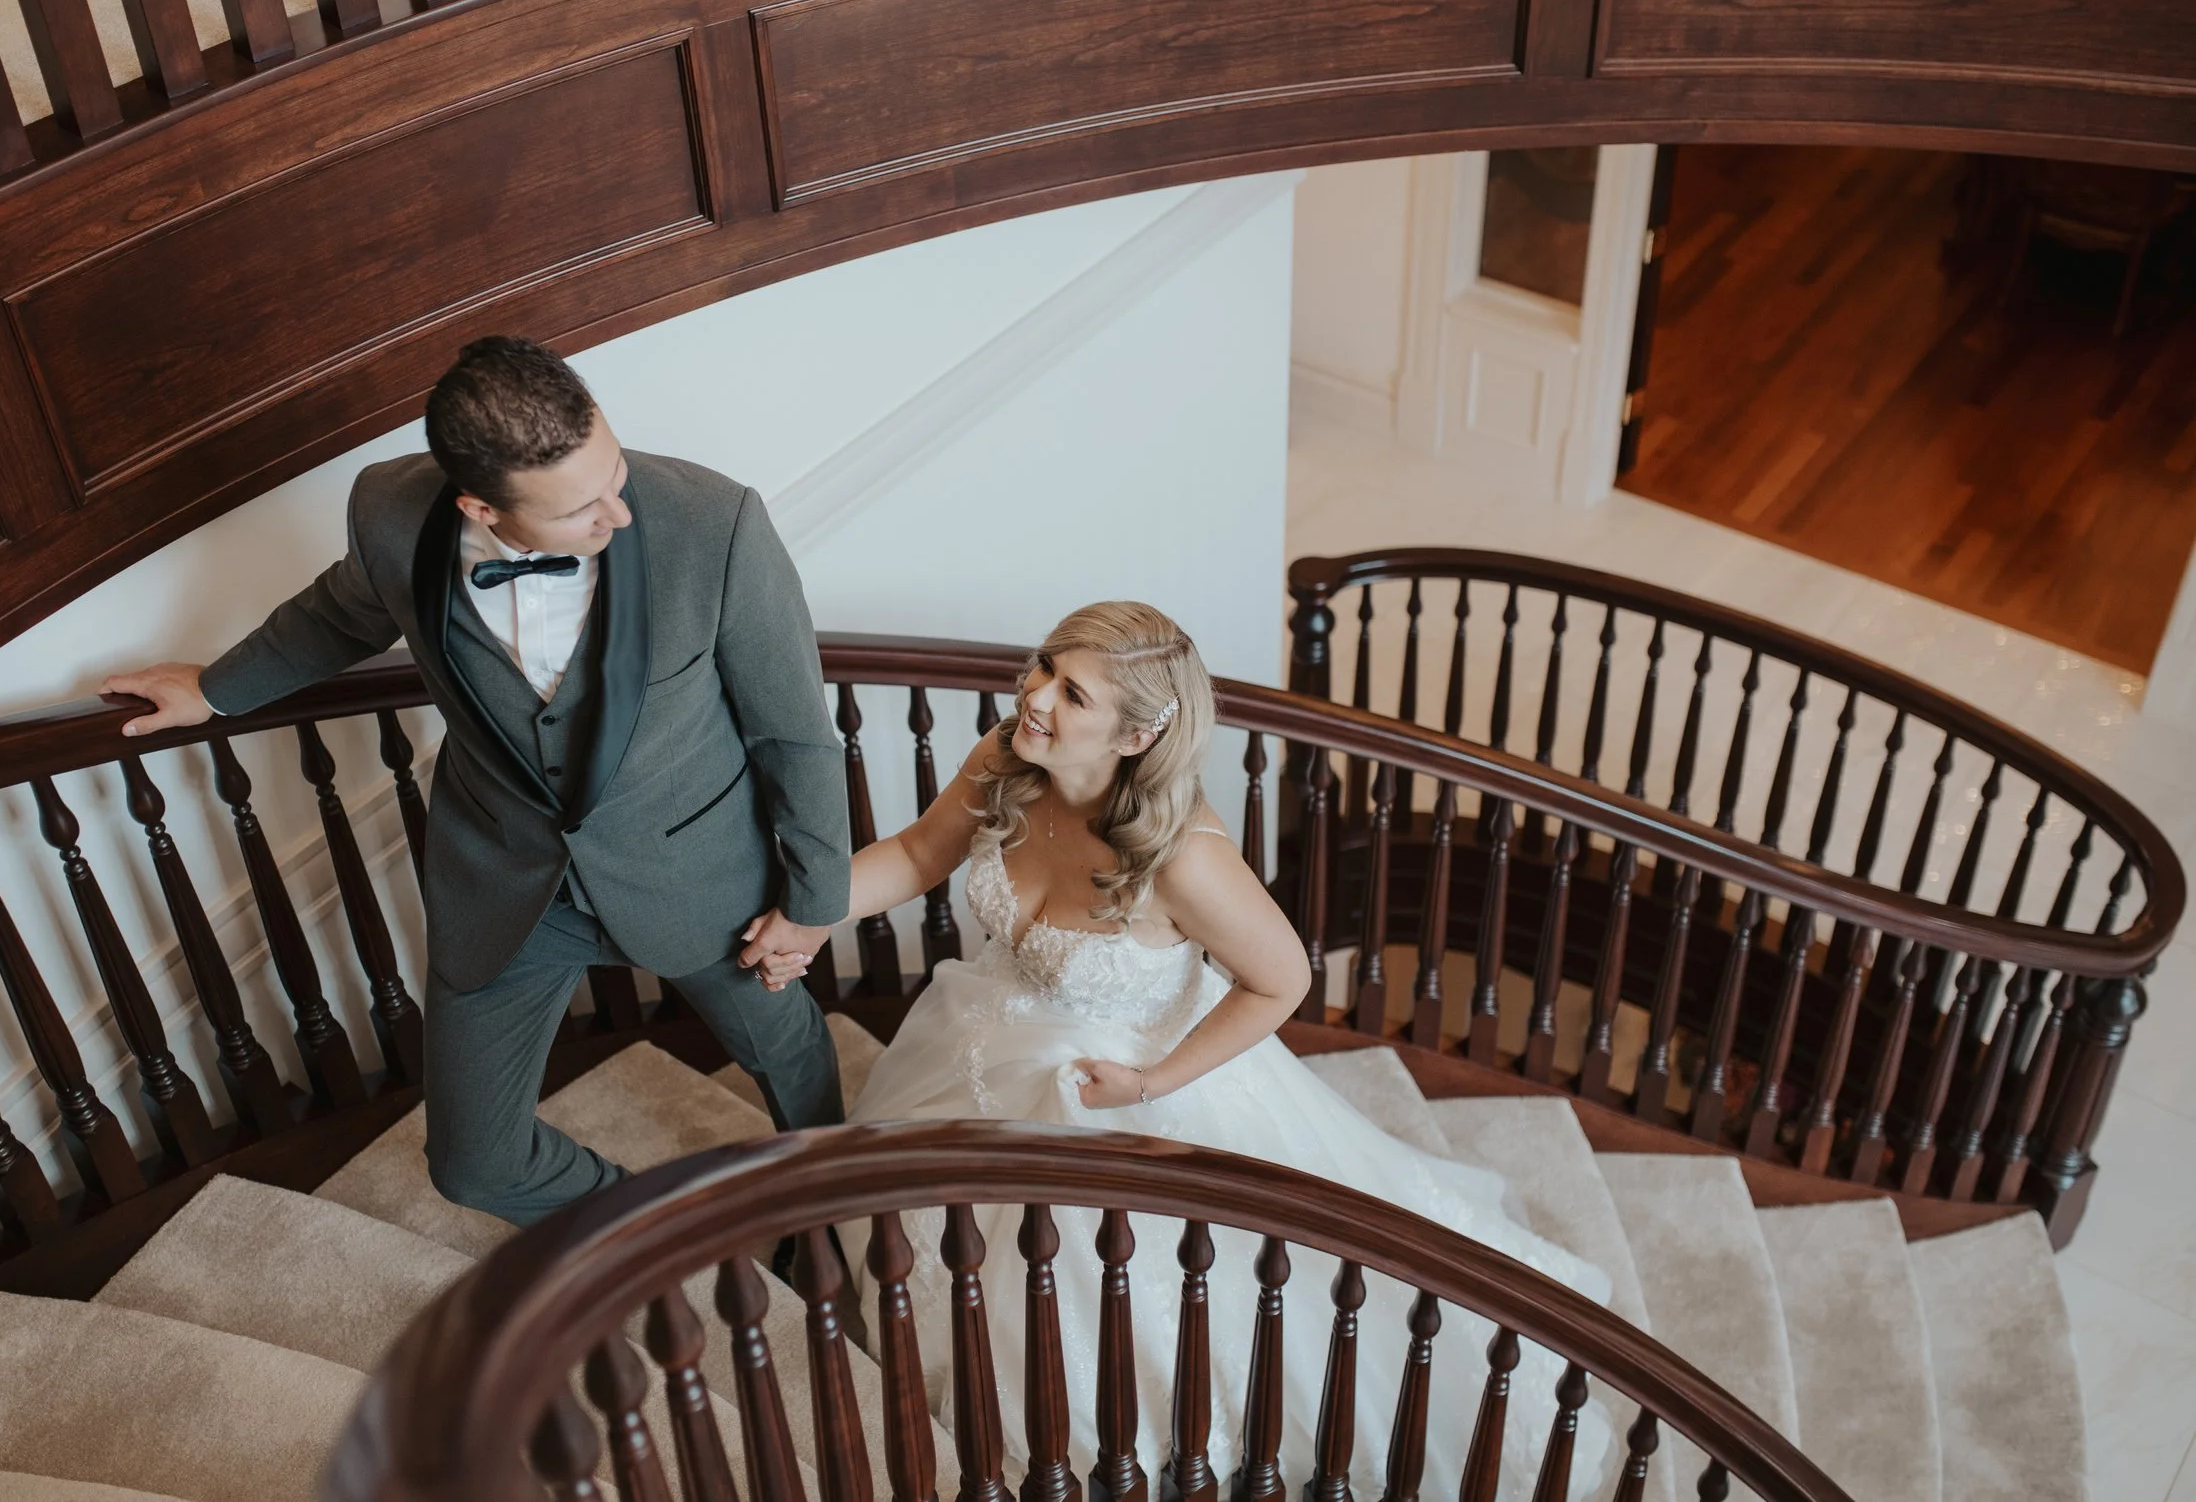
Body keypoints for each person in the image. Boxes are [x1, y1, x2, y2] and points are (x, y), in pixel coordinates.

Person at [825, 600, 1613, 1498]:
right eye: (1045, 664)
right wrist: (808, 915)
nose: (1035, 695)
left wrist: (1151, 1080)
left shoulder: (1183, 858)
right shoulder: (1009, 757)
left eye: (1073, 692)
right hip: (990, 1032)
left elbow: (1282, 979)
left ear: (1135, 736)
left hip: (1131, 1078)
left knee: (1115, 1301)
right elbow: (917, 852)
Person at [103, 337, 849, 1225]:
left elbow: (794, 732)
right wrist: (215, 690)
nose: (619, 513)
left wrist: (813, 901)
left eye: (614, 473)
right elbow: (339, 613)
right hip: (507, 885)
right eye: (581, 508)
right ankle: (661, 1227)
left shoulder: (715, 523)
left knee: (788, 1057)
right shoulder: (389, 513)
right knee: (471, 1165)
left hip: (699, 876)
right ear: (480, 507)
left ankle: (829, 1204)